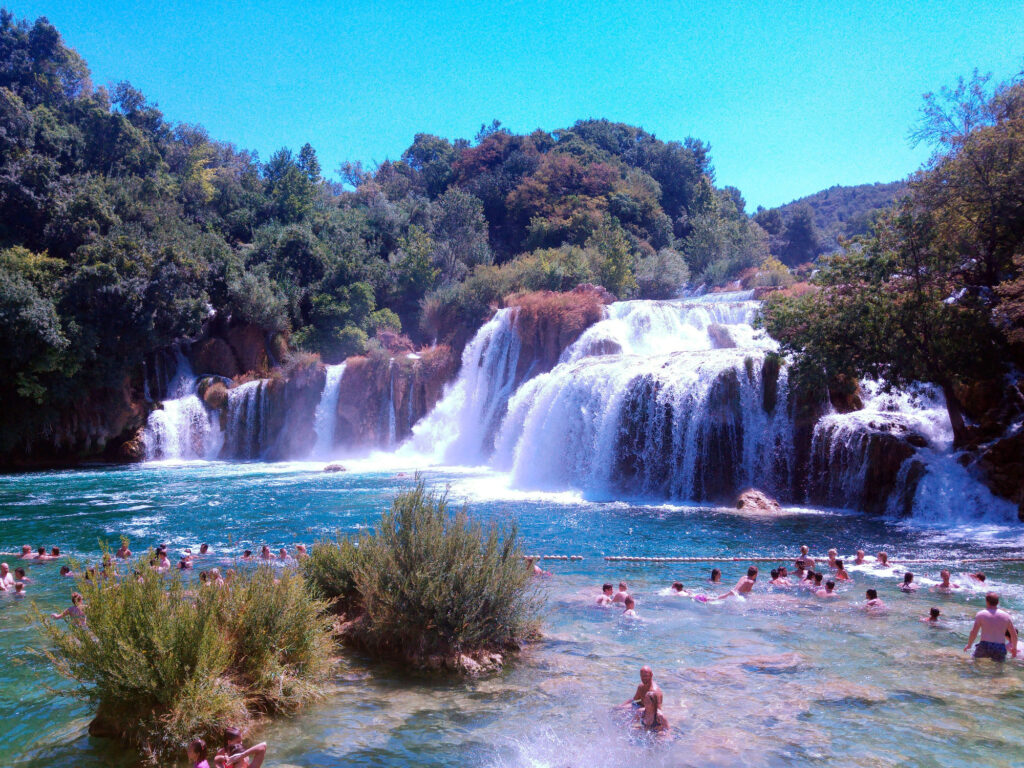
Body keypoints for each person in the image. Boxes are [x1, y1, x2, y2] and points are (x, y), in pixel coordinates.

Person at [964, 592, 1018, 661]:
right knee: (999, 668)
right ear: (998, 602)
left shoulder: (981, 614)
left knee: (976, 662)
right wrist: (1014, 648)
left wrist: (969, 645)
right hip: (999, 646)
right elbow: (1014, 634)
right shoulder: (1006, 616)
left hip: (984, 645)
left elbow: (973, 632)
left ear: (987, 602)